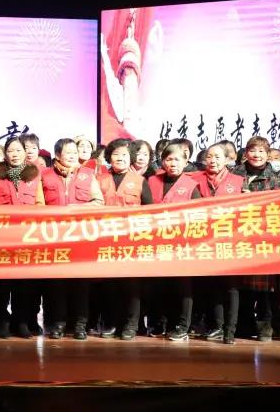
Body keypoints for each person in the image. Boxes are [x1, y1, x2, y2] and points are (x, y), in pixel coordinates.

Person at [41, 137, 103, 340]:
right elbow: (38, 205)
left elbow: (98, 202)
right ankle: (58, 324)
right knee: (57, 284)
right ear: (58, 155)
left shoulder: (87, 175)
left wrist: (74, 209)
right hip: (54, 237)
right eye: (68, 152)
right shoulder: (45, 175)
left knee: (80, 283)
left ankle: (80, 325)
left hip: (80, 237)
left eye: (75, 152)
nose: (72, 156)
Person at [0, 136, 45, 338]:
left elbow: (40, 204)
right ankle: (2, 322)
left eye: (18, 150)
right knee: (2, 285)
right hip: (2, 238)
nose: (15, 154)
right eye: (11, 151)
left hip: (26, 238)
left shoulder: (34, 175)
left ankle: (21, 322)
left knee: (24, 284)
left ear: (25, 153)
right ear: (5, 154)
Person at [145, 141, 200, 342]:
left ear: (185, 162)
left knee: (182, 286)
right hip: (156, 242)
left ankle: (181, 326)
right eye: (169, 159)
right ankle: (159, 323)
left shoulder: (191, 186)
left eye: (177, 159)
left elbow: (198, 215)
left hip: (182, 244)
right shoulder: (152, 181)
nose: (173, 163)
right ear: (162, 161)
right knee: (158, 285)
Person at [99, 138, 152, 340]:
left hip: (132, 241)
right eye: (115, 154)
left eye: (124, 155)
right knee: (110, 285)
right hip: (105, 241)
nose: (120, 158)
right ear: (109, 157)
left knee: (132, 285)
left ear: (131, 157)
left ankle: (131, 324)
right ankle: (112, 323)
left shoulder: (140, 181)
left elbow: (150, 212)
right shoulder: (99, 180)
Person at [235, 136, 280, 341]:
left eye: (262, 151)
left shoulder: (275, 178)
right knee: (241, 285)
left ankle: (265, 326)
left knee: (265, 288)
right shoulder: (234, 175)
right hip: (239, 235)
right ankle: (244, 325)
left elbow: (279, 206)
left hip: (265, 236)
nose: (257, 155)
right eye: (253, 150)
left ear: (268, 154)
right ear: (246, 153)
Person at [197, 143, 245, 345]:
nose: (213, 161)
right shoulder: (195, 180)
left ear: (227, 159)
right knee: (212, 285)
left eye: (217, 157)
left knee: (231, 286)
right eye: (209, 156)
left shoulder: (238, 181)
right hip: (204, 240)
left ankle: (230, 331)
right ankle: (216, 326)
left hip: (230, 239)